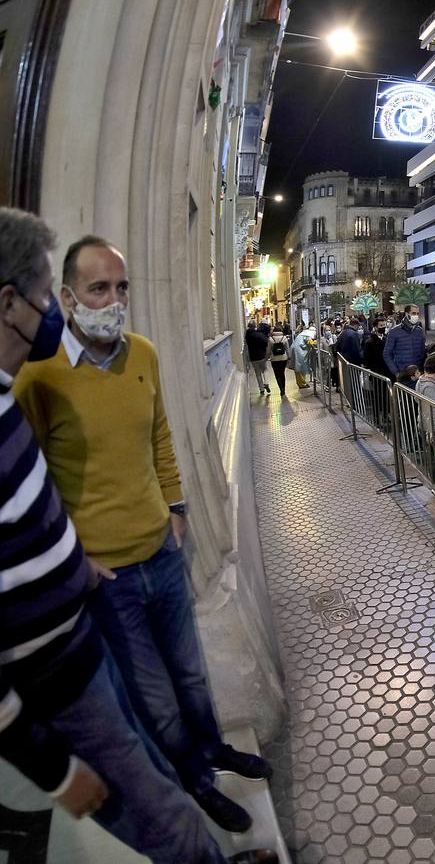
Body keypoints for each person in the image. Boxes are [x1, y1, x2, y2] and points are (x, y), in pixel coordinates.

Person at [0, 210, 277, 864]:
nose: (114, 301)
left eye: (122, 288)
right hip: (108, 581)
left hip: (160, 549)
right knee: (150, 700)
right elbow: (36, 475)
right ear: (65, 297)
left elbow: (160, 434)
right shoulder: (38, 379)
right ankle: (196, 782)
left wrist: (176, 508)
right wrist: (81, 557)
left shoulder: (144, 354)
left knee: (189, 671)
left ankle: (211, 750)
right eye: (99, 290)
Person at [383, 304, 426, 376]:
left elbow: (422, 351)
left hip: (417, 373)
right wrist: (396, 372)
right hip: (402, 372)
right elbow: (387, 354)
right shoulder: (394, 331)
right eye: (413, 313)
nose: (416, 316)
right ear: (406, 314)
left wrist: (421, 369)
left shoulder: (419, 331)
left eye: (417, 313)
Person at [244, 320, 270, 396]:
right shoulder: (258, 334)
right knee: (264, 370)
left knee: (257, 373)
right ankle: (266, 382)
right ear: (255, 326)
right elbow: (266, 341)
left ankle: (261, 389)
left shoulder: (247, 335)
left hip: (253, 357)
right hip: (261, 355)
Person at [290, 322, 315, 389]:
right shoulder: (308, 335)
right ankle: (302, 383)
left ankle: (302, 382)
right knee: (299, 368)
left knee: (298, 368)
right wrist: (316, 342)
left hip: (296, 350)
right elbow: (310, 342)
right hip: (299, 352)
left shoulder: (303, 333)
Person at [268, 323, 290, 397]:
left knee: (277, 375)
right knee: (282, 373)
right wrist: (289, 357)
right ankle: (283, 388)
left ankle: (281, 389)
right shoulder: (284, 338)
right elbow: (287, 349)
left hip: (274, 359)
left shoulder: (270, 339)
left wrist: (267, 357)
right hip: (283, 359)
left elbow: (268, 350)